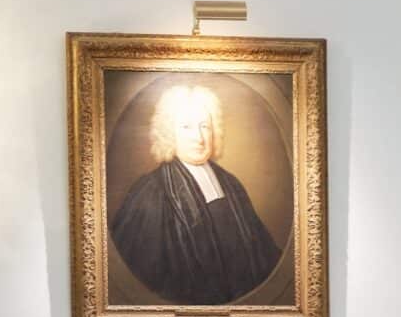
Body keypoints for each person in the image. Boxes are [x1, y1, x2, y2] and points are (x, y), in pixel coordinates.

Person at [110, 83, 282, 304]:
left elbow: (264, 254)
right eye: (186, 127)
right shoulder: (150, 194)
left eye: (204, 126)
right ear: (169, 133)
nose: (199, 137)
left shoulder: (230, 184)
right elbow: (141, 280)